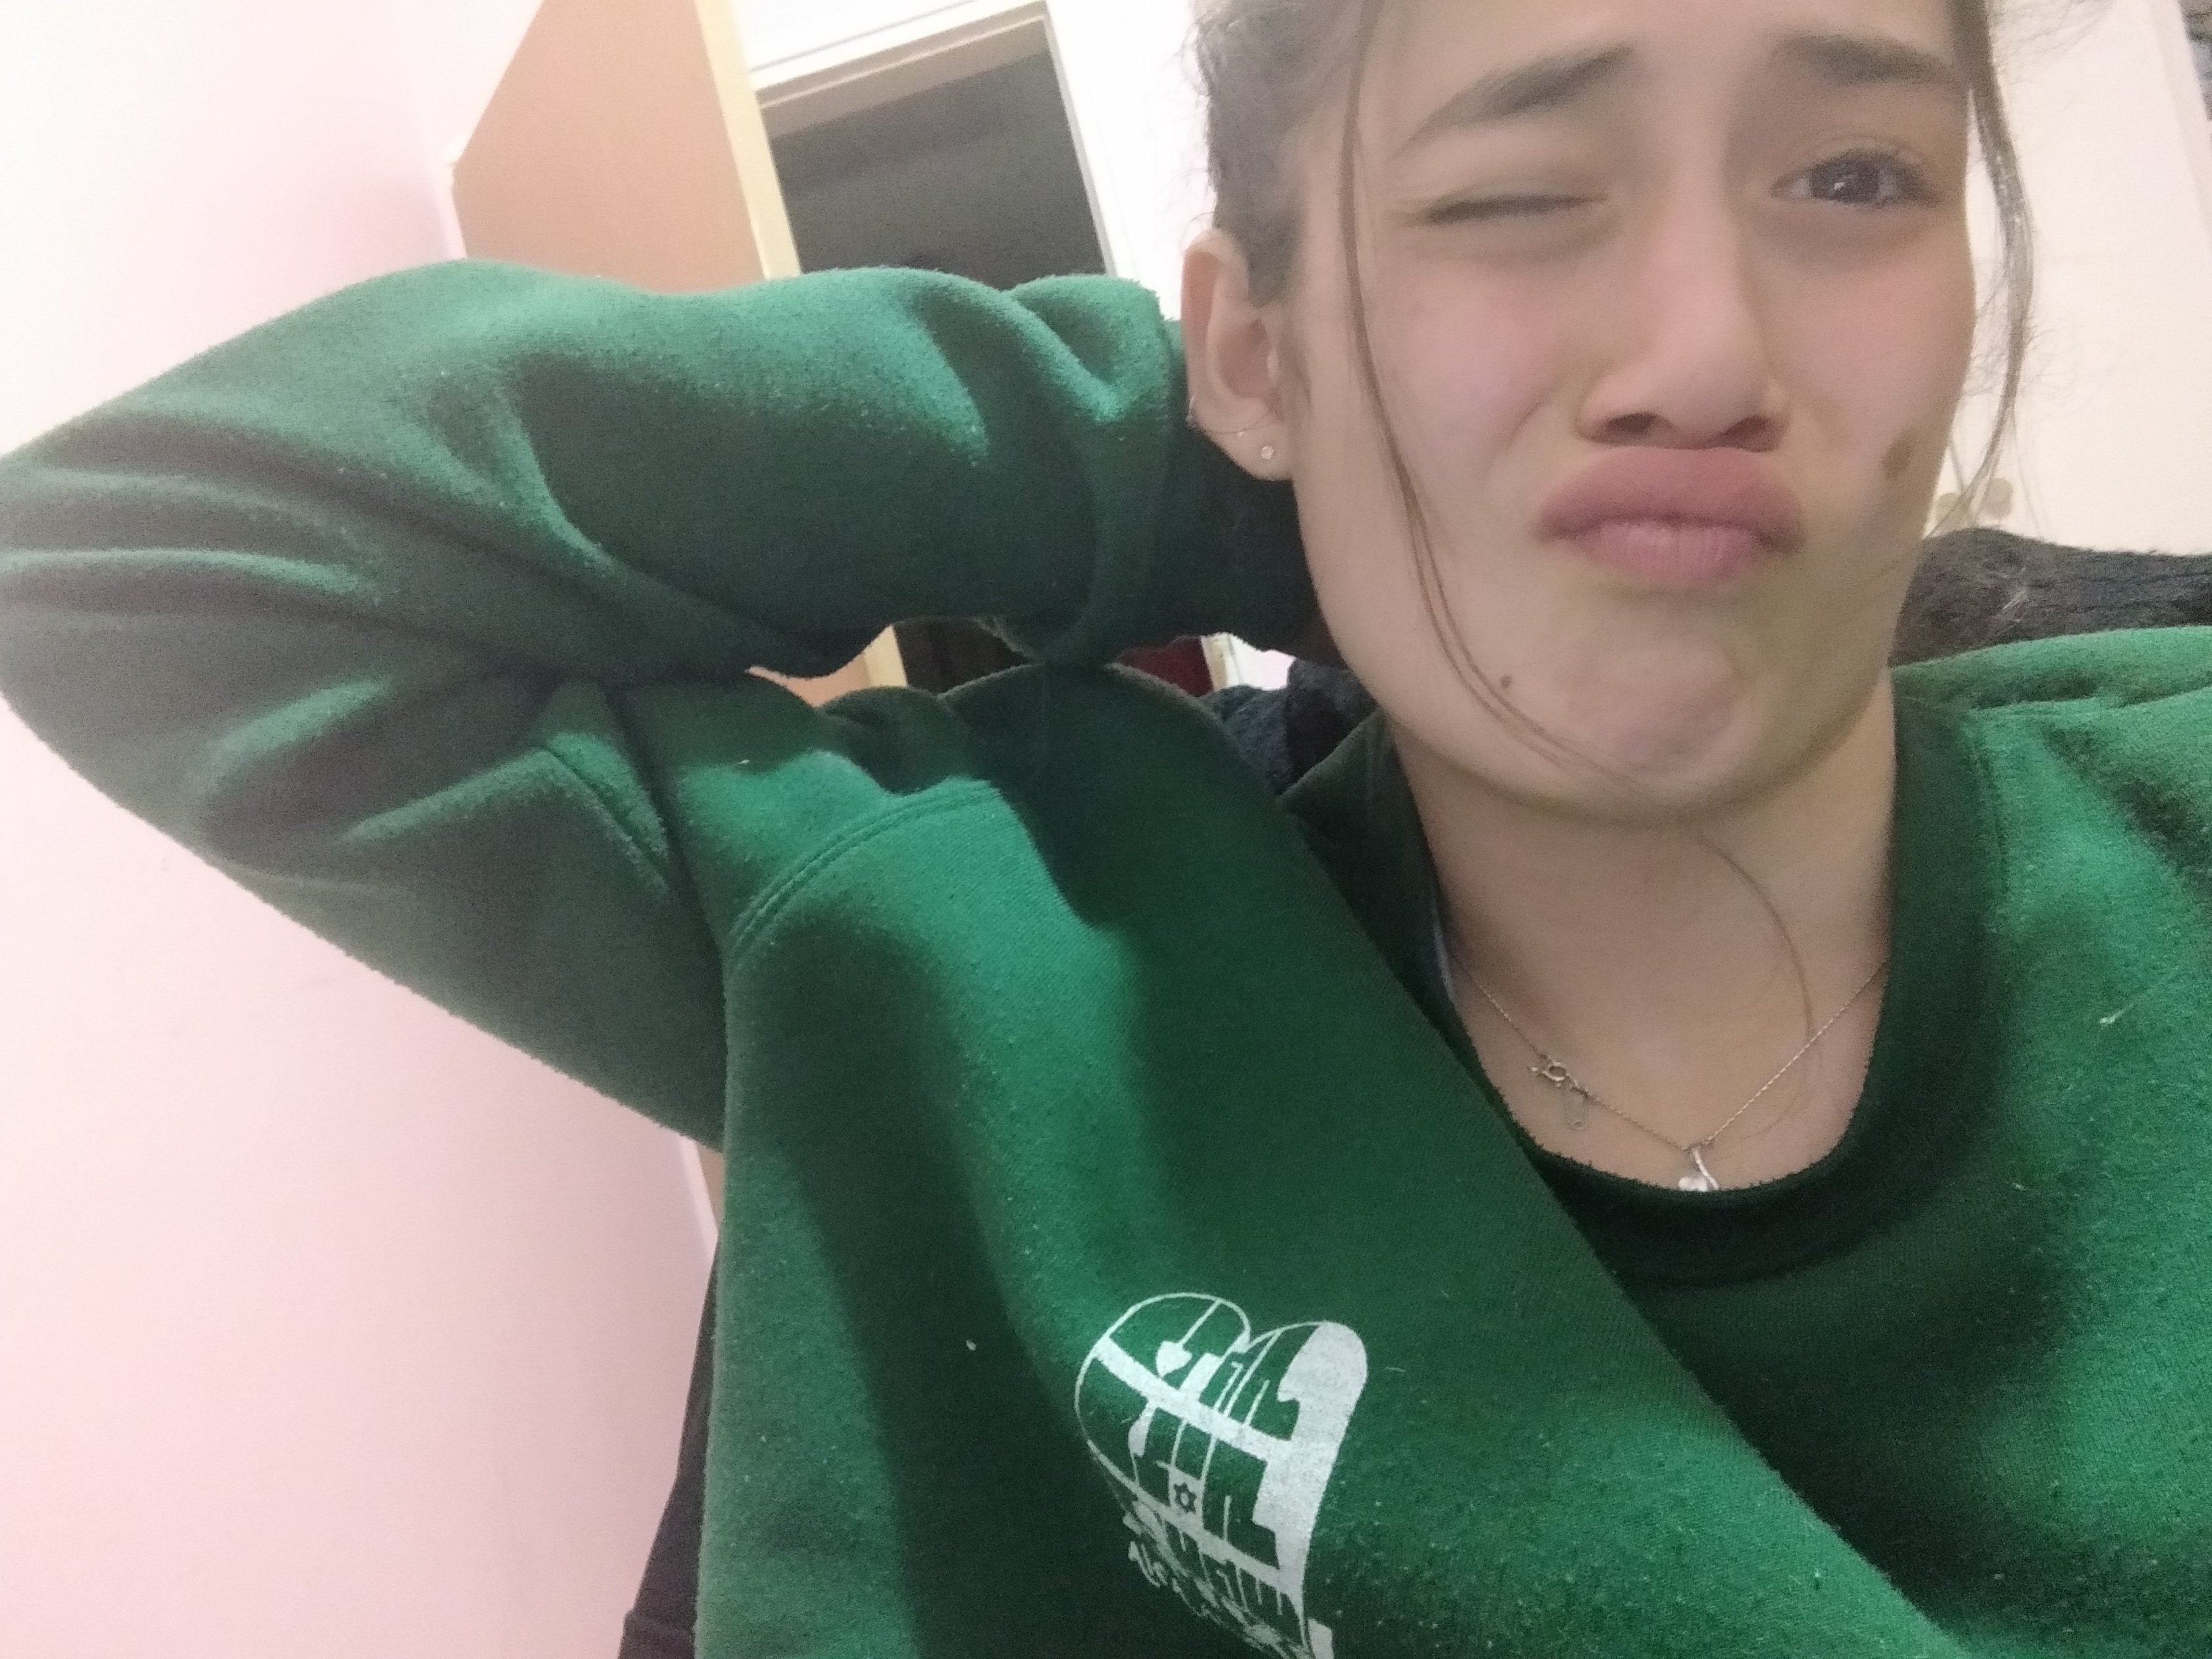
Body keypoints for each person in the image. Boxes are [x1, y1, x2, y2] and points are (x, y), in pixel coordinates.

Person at [1, 0, 2209, 1654]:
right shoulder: (980, 952)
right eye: (1516, 195)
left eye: (1853, 180)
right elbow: (135, 558)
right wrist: (1246, 470)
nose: (1710, 355)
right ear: (1250, 348)